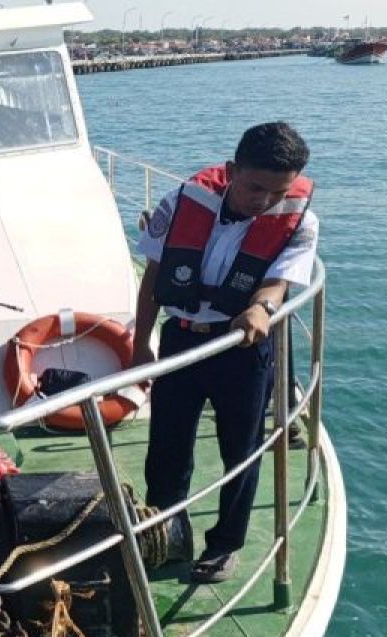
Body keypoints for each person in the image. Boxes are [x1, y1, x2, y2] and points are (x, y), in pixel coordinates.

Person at [131, 122, 318, 583]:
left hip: (243, 347)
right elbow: (154, 278)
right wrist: (140, 347)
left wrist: (262, 307)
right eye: (255, 187)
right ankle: (167, 532)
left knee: (242, 449)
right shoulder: (182, 203)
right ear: (232, 170)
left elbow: (277, 281)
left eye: (278, 192)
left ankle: (224, 544)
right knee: (167, 446)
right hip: (182, 338)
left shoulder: (301, 221)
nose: (265, 201)